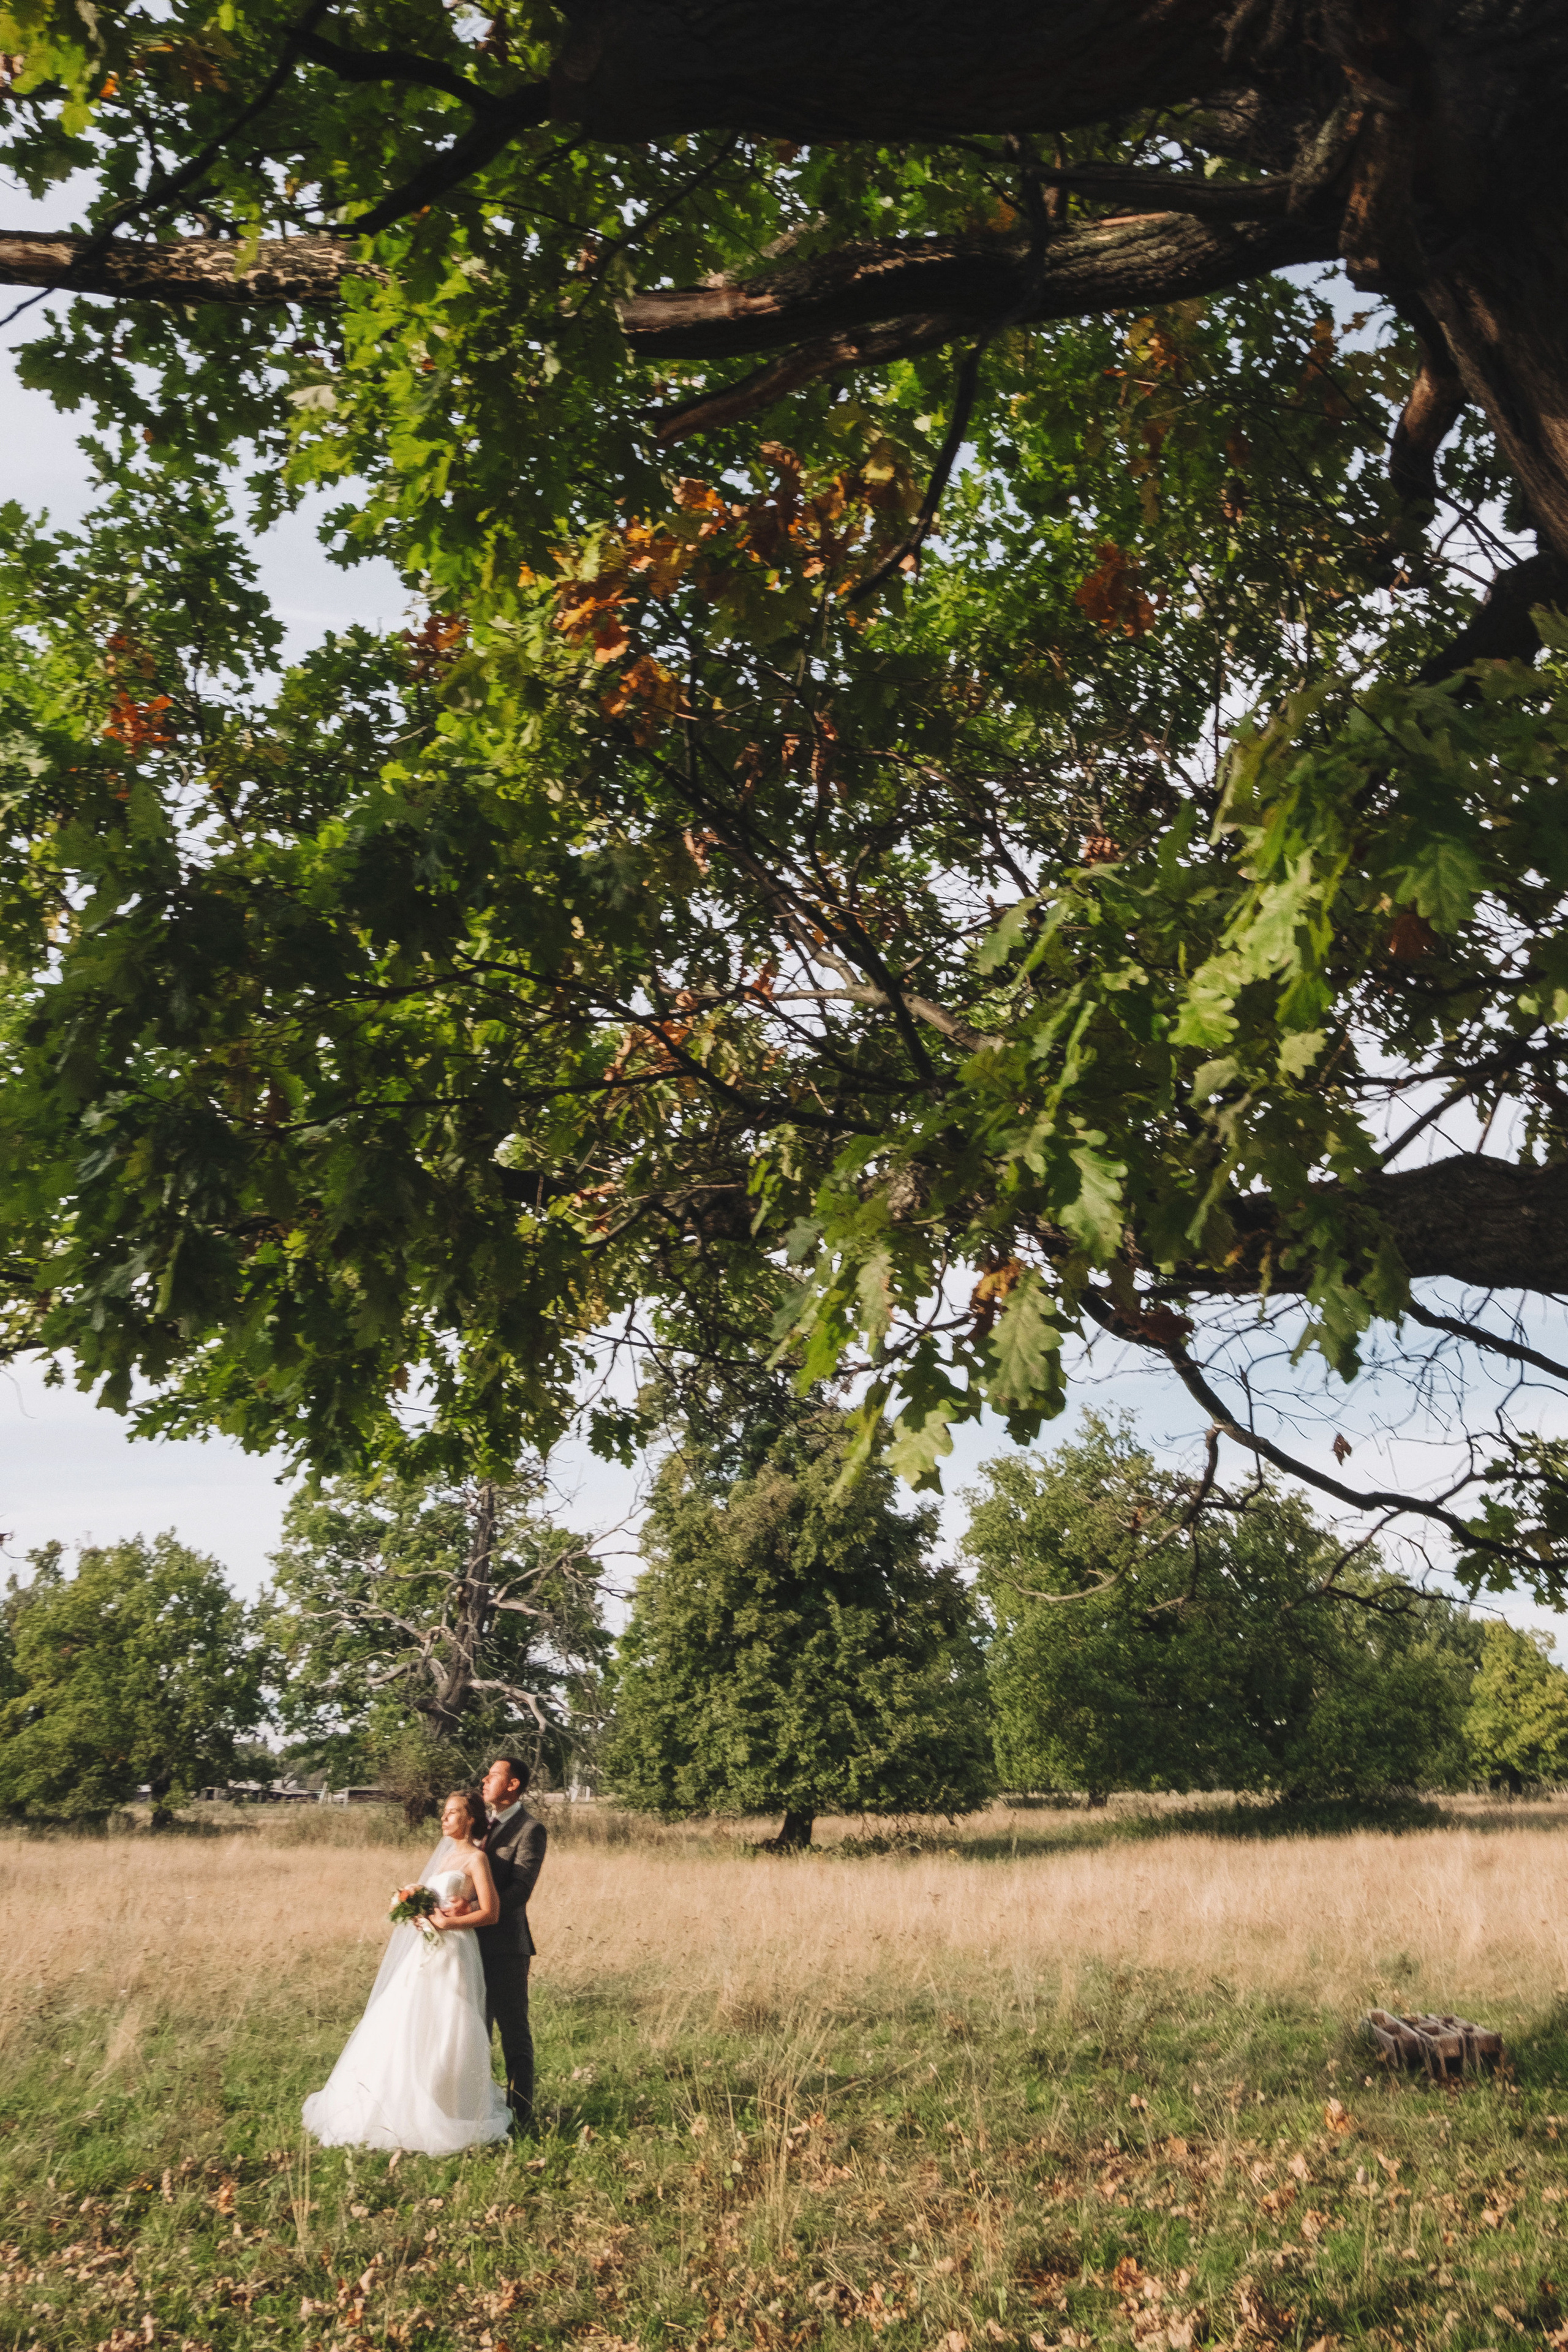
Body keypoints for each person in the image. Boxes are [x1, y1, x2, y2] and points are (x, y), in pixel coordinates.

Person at [301, 1789, 511, 2156]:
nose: (444, 1818)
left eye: (451, 1812)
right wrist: (415, 1910)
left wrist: (447, 1924)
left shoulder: (476, 1859)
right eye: (444, 1812)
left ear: (471, 1819)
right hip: (424, 1951)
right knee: (406, 2017)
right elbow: (434, 1903)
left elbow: (491, 1914)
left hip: (455, 1951)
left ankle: (448, 2103)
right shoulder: (444, 1858)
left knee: (450, 2019)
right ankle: (395, 2098)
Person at [475, 1752, 547, 2134]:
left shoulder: (529, 1829)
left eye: (492, 1775)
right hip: (467, 1946)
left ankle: (520, 2116)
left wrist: (479, 1909)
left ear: (513, 1785)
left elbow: (521, 1889)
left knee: (514, 2032)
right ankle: (479, 2110)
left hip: (506, 1947)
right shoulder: (476, 1825)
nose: (484, 1781)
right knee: (473, 2030)